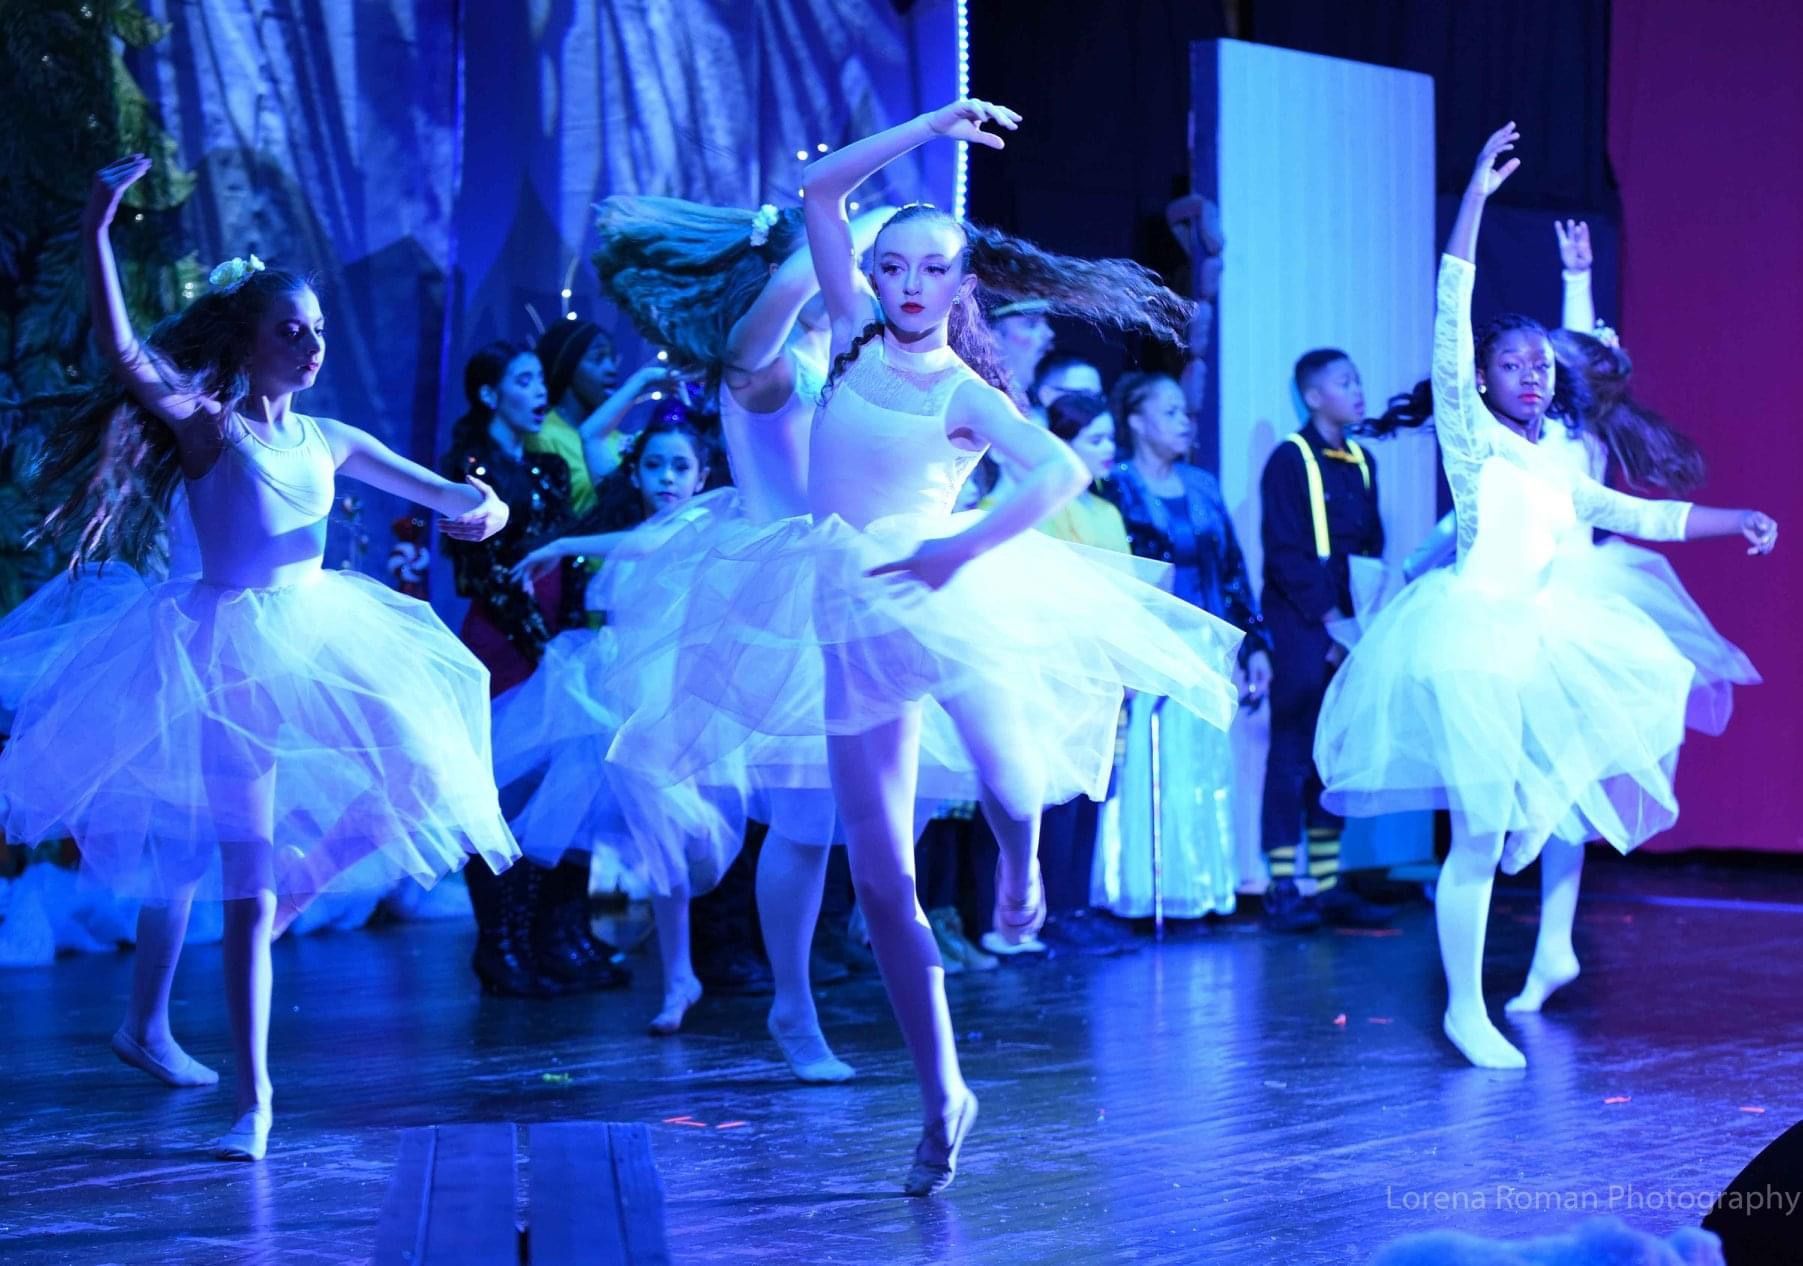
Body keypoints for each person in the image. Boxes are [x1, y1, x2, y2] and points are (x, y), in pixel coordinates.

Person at [613, 97, 1244, 1194]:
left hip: (950, 594)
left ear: (960, 287)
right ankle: (942, 1089)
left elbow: (1060, 474)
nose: (907, 285)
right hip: (845, 603)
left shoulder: (961, 390)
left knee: (1010, 780)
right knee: (880, 872)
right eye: (893, 265)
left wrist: (963, 552)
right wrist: (935, 125)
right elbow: (821, 193)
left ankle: (1017, 870)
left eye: (930, 270)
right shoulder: (850, 334)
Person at [0, 155, 519, 1161]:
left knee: (417, 770)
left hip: (325, 635)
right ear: (245, 342)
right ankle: (255, 1097)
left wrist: (484, 510)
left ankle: (277, 908)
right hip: (225, 654)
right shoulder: (211, 427)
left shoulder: (329, 438)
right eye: (292, 329)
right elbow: (124, 353)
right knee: (222, 864)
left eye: (319, 328)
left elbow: (455, 496)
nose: (312, 344)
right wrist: (99, 225)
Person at [1313, 124, 1778, 1069]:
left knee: (1625, 701)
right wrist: (1476, 200)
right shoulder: (1471, 436)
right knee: (1478, 837)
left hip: (1540, 635)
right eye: (1515, 364)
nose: (1534, 374)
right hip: (1471, 637)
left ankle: (1537, 854)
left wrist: (1739, 520)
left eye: (1543, 366)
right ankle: (1463, 1009)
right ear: (1482, 379)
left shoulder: (1560, 460)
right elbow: (1452, 315)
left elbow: (1640, 517)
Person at [442, 341, 625, 997]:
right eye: (522, 379)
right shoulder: (470, 463)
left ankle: (553, 932)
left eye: (536, 378)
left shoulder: (547, 461)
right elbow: (478, 571)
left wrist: (571, 628)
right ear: (490, 394)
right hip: (505, 638)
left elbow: (565, 553)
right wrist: (538, 637)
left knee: (566, 781)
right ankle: (500, 943)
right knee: (502, 788)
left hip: (555, 633)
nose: (538, 389)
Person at [1099, 373, 1269, 921]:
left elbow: (1234, 570)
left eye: (1183, 412)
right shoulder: (1115, 486)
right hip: (1144, 644)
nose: (1182, 421)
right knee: (1149, 764)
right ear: (1136, 420)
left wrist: (1254, 644)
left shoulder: (1201, 485)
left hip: (1203, 643)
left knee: (1200, 767)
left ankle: (1197, 888)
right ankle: (1141, 891)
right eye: (1168, 411)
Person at [1257, 349, 1388, 930]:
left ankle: (1329, 882)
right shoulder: (1291, 459)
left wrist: (1359, 621)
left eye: (1358, 379)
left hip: (1347, 622)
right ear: (1313, 396)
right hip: (1302, 623)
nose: (1357, 389)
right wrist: (1332, 619)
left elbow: (1370, 546)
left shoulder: (1361, 460)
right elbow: (1285, 552)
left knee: (1334, 751)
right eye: (1344, 381)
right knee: (1292, 750)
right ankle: (1284, 884)